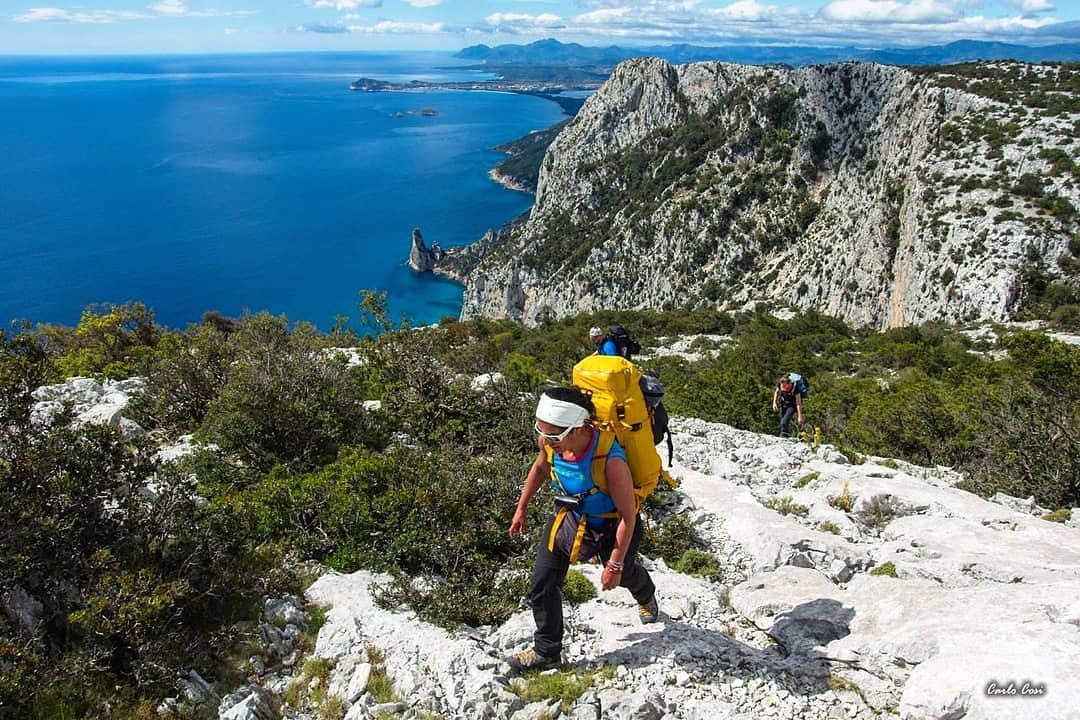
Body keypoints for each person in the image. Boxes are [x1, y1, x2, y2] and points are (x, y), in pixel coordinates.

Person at [506, 387, 659, 672]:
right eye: (542, 433)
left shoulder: (609, 460)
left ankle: (646, 594)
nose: (547, 442)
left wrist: (613, 563)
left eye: (554, 436)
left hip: (612, 522)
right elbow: (540, 468)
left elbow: (629, 516)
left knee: (624, 572)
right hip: (571, 515)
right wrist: (521, 507)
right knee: (542, 582)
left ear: (578, 427)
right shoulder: (549, 442)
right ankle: (547, 650)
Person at [772, 373, 804, 438]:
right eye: (782, 386)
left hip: (793, 405)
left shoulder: (795, 389)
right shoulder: (780, 384)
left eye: (784, 386)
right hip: (783, 402)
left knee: (784, 421)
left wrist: (800, 416)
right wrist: (774, 403)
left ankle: (784, 436)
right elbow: (777, 392)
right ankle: (785, 434)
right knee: (782, 421)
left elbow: (798, 403)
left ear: (789, 383)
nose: (783, 387)